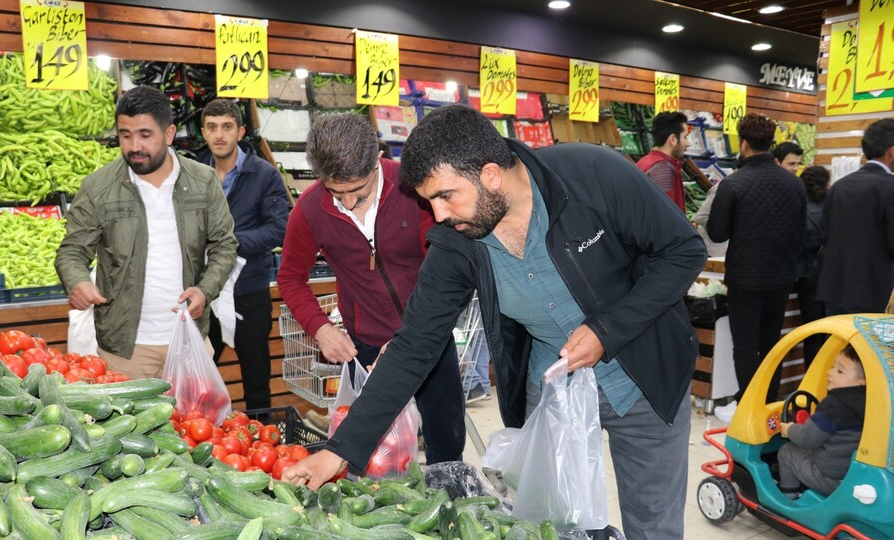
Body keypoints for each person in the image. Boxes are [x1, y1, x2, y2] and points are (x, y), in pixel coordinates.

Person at [283, 104, 707, 540]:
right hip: (552, 393)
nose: (439, 214)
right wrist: (339, 451)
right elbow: (413, 346)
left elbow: (683, 252)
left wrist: (607, 330)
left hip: (645, 376)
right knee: (553, 524)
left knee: (653, 525)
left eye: (445, 196)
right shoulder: (455, 242)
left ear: (490, 175)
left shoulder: (592, 174)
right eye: (429, 200)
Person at [275, 112, 465, 465]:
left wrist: (417, 333)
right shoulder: (310, 209)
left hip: (429, 337)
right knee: (373, 450)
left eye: (357, 193)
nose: (347, 203)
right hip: (364, 343)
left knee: (446, 435)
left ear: (377, 161)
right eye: (336, 193)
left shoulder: (415, 190)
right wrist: (321, 330)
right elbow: (290, 277)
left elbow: (446, 269)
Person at [55, 86, 238, 379]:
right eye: (125, 135)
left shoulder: (203, 181)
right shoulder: (98, 187)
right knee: (129, 424)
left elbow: (224, 246)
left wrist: (205, 290)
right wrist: (77, 281)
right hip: (125, 348)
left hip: (188, 340)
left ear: (168, 134)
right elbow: (72, 251)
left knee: (197, 424)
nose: (134, 146)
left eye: (144, 135)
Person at [707, 113, 806, 420]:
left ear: (744, 144)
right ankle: (769, 403)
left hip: (744, 278)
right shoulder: (794, 184)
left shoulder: (733, 184)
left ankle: (747, 405)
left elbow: (716, 232)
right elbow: (801, 230)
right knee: (770, 343)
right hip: (780, 278)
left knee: (745, 346)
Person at [196, 99, 289, 410]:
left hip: (249, 291)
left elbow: (278, 229)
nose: (219, 135)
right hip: (205, 293)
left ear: (240, 131)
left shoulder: (264, 175)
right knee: (198, 374)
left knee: (256, 379)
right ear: (203, 132)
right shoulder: (194, 175)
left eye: (227, 127)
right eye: (212, 127)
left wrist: (227, 242)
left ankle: (262, 439)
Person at [816, 118, 894, 315]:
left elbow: (823, 235)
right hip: (875, 291)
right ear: (891, 151)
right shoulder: (889, 187)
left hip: (835, 288)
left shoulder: (839, 186)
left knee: (837, 345)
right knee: (869, 346)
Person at [777, 344, 866, 497]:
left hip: (829, 478)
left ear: (862, 381)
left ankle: (788, 496)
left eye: (839, 371)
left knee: (787, 451)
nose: (830, 372)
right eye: (832, 367)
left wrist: (789, 429)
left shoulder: (834, 404)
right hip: (855, 476)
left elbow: (806, 438)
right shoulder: (873, 402)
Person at [796, 166, 830, 368]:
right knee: (831, 334)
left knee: (812, 335)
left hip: (807, 277)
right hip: (832, 275)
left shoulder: (799, 210)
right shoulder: (834, 207)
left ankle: (811, 379)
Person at [636, 111, 690, 213]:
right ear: (673, 139)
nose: (688, 143)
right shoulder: (663, 168)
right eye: (685, 137)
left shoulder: (645, 161)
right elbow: (664, 214)